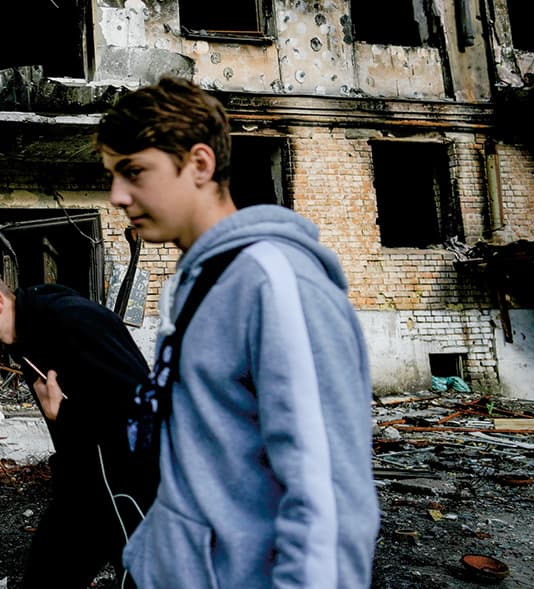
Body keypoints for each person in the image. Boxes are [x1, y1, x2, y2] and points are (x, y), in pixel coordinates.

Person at [85, 76, 381, 588]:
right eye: (113, 174)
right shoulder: (196, 280)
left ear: (199, 164)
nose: (117, 196)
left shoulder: (274, 281)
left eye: (133, 172)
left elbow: (326, 499)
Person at [0, 263, 157, 589]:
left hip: (127, 488)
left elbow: (141, 408)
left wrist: (64, 415)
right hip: (81, 489)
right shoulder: (28, 333)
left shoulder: (70, 320)